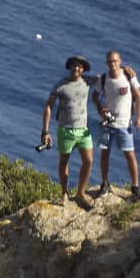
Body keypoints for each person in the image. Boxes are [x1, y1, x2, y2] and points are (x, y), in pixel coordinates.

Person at [40, 56, 99, 208]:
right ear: (69, 67)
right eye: (73, 66)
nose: (76, 68)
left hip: (83, 130)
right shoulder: (60, 86)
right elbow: (48, 107)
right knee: (64, 161)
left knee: (89, 161)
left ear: (83, 69)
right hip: (65, 130)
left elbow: (108, 78)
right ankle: (64, 194)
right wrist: (45, 131)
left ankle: (80, 192)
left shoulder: (88, 81)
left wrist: (125, 70)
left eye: (79, 66)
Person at [92, 49, 140, 198]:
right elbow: (95, 96)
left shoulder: (128, 76)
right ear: (106, 63)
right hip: (107, 123)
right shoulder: (103, 78)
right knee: (104, 154)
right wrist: (100, 107)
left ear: (120, 61)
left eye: (115, 61)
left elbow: (138, 97)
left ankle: (135, 187)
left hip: (124, 124)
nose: (112, 64)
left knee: (130, 155)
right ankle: (104, 184)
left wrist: (139, 117)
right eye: (109, 61)